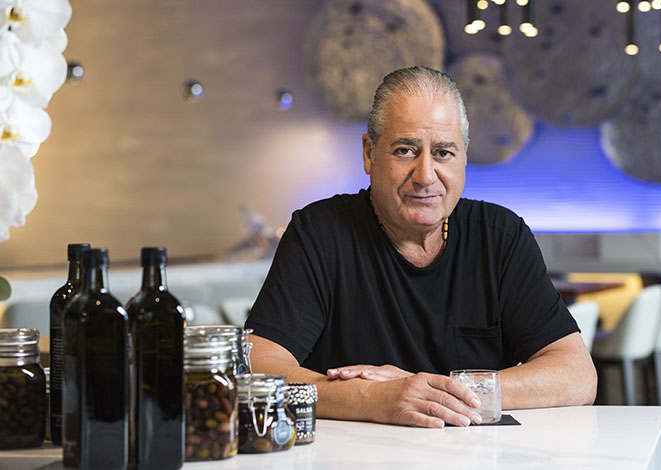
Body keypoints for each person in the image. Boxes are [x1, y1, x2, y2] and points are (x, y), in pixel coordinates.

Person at [245, 66, 596, 428]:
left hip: (476, 453)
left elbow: (577, 375)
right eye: (405, 150)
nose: (425, 175)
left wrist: (429, 391)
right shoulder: (319, 235)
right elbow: (257, 370)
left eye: (443, 152)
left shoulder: (501, 238)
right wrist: (370, 398)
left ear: (463, 158)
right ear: (369, 153)